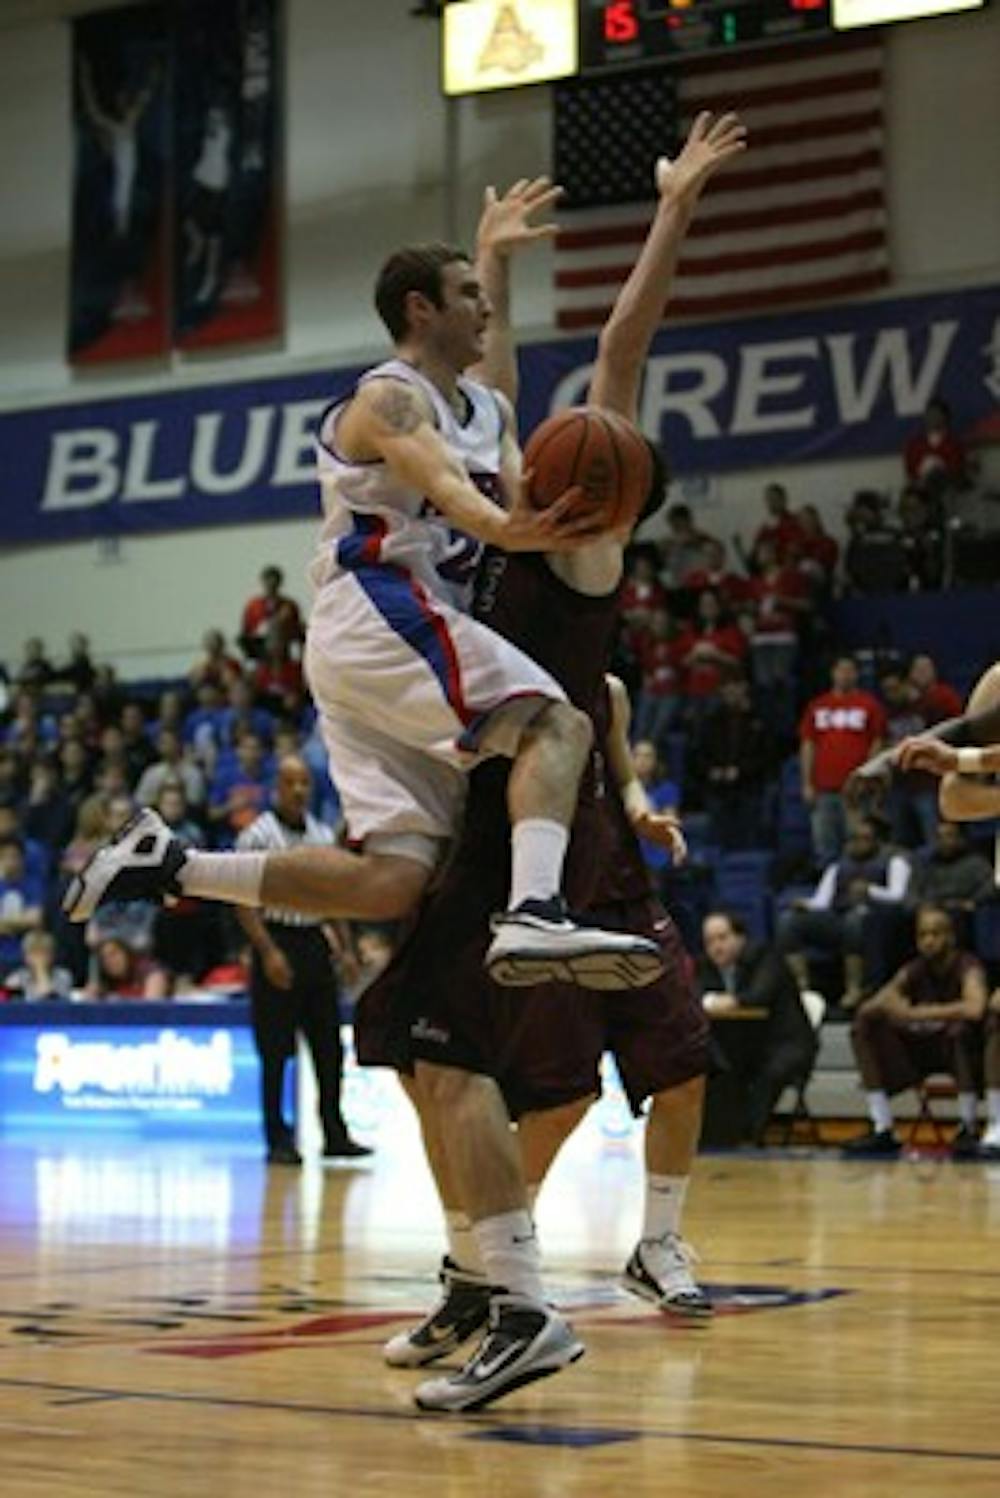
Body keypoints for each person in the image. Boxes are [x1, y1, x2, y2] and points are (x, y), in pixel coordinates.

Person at [358, 111, 746, 1414]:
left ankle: (536, 1281)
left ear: (615, 490)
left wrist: (677, 210)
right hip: (490, 795)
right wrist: (498, 263)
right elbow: (515, 386)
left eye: (594, 440)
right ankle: (484, 1282)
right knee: (487, 1071)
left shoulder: (584, 543)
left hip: (552, 819)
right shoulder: (522, 490)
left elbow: (621, 354)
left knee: (494, 1061)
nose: (569, 430)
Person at [64, 185, 663, 992]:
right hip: (383, 609)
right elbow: (451, 490)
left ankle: (171, 862)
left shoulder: (481, 407)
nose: (484, 312)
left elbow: (507, 456)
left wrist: (495, 256)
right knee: (557, 723)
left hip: (374, 643)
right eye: (469, 299)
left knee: (392, 880)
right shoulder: (386, 398)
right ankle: (533, 913)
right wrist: (512, 529)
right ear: (421, 310)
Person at [235, 757, 371, 1166]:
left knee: (329, 1046)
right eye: (290, 783)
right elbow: (242, 901)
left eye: (305, 783)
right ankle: (278, 1138)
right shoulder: (256, 836)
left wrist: (345, 949)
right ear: (275, 786)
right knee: (276, 1051)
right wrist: (267, 950)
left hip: (314, 942)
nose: (298, 790)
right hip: (276, 940)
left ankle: (335, 1133)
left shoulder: (322, 834)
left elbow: (334, 896)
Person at [843, 904, 987, 1158]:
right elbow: (875, 1005)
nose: (928, 941)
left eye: (935, 934)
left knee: (959, 1032)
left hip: (962, 1053)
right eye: (922, 935)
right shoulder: (915, 968)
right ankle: (882, 1125)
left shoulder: (968, 965)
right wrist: (886, 1002)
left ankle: (968, 1125)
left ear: (951, 937)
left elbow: (975, 1008)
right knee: (862, 1027)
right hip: (921, 1050)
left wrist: (915, 1013)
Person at [697, 910, 817, 1146]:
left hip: (787, 1044)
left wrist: (729, 1001)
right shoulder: (706, 967)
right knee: (716, 1067)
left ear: (740, 938)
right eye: (710, 941)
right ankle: (716, 1138)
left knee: (763, 1075)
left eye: (722, 938)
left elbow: (759, 996)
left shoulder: (766, 957)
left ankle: (748, 1137)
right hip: (747, 1042)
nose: (716, 947)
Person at [776, 816, 911, 1009]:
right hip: (837, 917)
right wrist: (805, 905)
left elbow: (899, 896)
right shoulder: (838, 866)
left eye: (864, 838)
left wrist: (870, 891)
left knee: (855, 920)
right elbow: (821, 901)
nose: (857, 843)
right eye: (854, 838)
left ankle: (854, 988)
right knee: (789, 921)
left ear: (877, 841)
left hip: (876, 920)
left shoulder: (893, 862)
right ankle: (801, 987)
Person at [799, 655, 886, 867]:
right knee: (824, 843)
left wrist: (867, 778)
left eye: (850, 671)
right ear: (833, 674)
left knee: (858, 842)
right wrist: (807, 783)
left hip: (855, 789)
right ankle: (829, 892)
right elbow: (808, 745)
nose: (845, 675)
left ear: (857, 675)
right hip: (824, 788)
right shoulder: (817, 706)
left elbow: (878, 743)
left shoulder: (869, 705)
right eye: (841, 670)